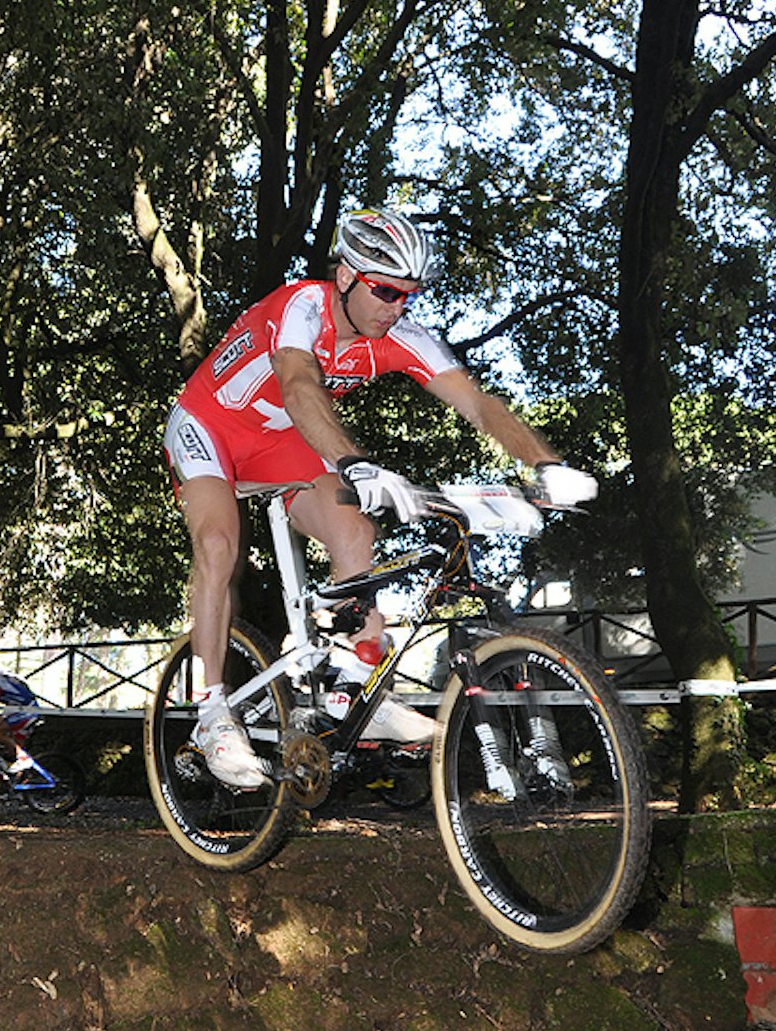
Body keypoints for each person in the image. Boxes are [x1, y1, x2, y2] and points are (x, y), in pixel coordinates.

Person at [164, 208, 598, 788]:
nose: (397, 307)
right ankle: (211, 711)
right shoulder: (303, 308)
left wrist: (545, 462)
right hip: (210, 427)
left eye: (409, 295)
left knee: (356, 530)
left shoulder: (400, 335)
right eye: (386, 291)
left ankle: (356, 692)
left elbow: (478, 403)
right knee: (218, 544)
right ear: (345, 276)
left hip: (281, 444)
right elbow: (298, 387)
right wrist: (355, 462)